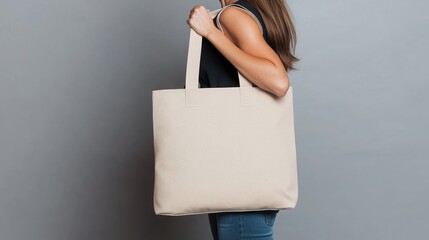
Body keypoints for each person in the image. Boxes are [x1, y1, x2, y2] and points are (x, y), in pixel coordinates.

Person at [186, 0, 298, 239]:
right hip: (238, 170)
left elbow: (278, 82)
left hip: (238, 174)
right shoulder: (239, 13)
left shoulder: (232, 16)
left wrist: (211, 33)